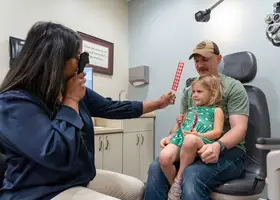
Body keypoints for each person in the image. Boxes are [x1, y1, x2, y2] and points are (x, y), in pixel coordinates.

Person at [0, 21, 176, 200]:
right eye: (77, 57)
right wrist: (71, 100)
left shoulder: (67, 89)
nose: (82, 64)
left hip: (74, 178)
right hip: (38, 190)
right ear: (56, 60)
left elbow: (111, 107)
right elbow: (55, 154)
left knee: (137, 188)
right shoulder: (14, 102)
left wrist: (158, 103)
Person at [144, 40, 249, 200]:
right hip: (191, 147)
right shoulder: (190, 91)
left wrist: (218, 146)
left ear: (219, 59)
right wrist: (172, 137)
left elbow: (239, 129)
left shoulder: (233, 87)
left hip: (228, 151)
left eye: (205, 59)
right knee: (156, 166)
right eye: (196, 60)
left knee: (192, 175)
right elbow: (182, 123)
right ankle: (175, 190)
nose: (200, 65)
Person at [159, 75, 224, 200]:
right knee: (164, 157)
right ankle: (176, 188)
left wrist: (198, 135)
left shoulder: (217, 110)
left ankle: (178, 179)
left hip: (201, 141)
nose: (194, 95)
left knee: (190, 139)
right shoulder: (190, 110)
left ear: (212, 93)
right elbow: (182, 129)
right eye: (193, 91)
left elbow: (217, 132)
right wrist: (178, 125)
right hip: (182, 139)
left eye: (199, 91)